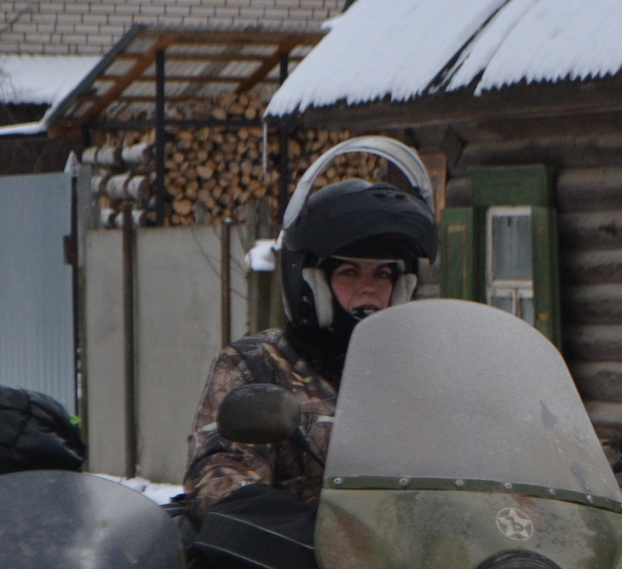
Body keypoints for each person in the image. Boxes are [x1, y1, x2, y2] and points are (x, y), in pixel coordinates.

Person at [184, 174, 438, 519]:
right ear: (311, 285)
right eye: (350, 272)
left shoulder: (424, 370)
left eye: (382, 274)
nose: (370, 288)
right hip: (290, 564)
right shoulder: (258, 364)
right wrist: (285, 524)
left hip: (416, 562)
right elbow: (221, 477)